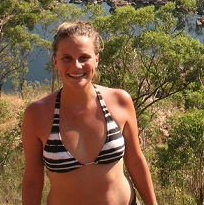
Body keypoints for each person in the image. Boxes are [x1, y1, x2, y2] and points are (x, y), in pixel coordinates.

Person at [22, 21, 158, 205]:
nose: (76, 66)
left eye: (84, 57)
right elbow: (32, 180)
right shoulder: (36, 114)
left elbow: (135, 161)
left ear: (97, 59)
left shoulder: (120, 101)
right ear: (55, 61)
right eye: (67, 58)